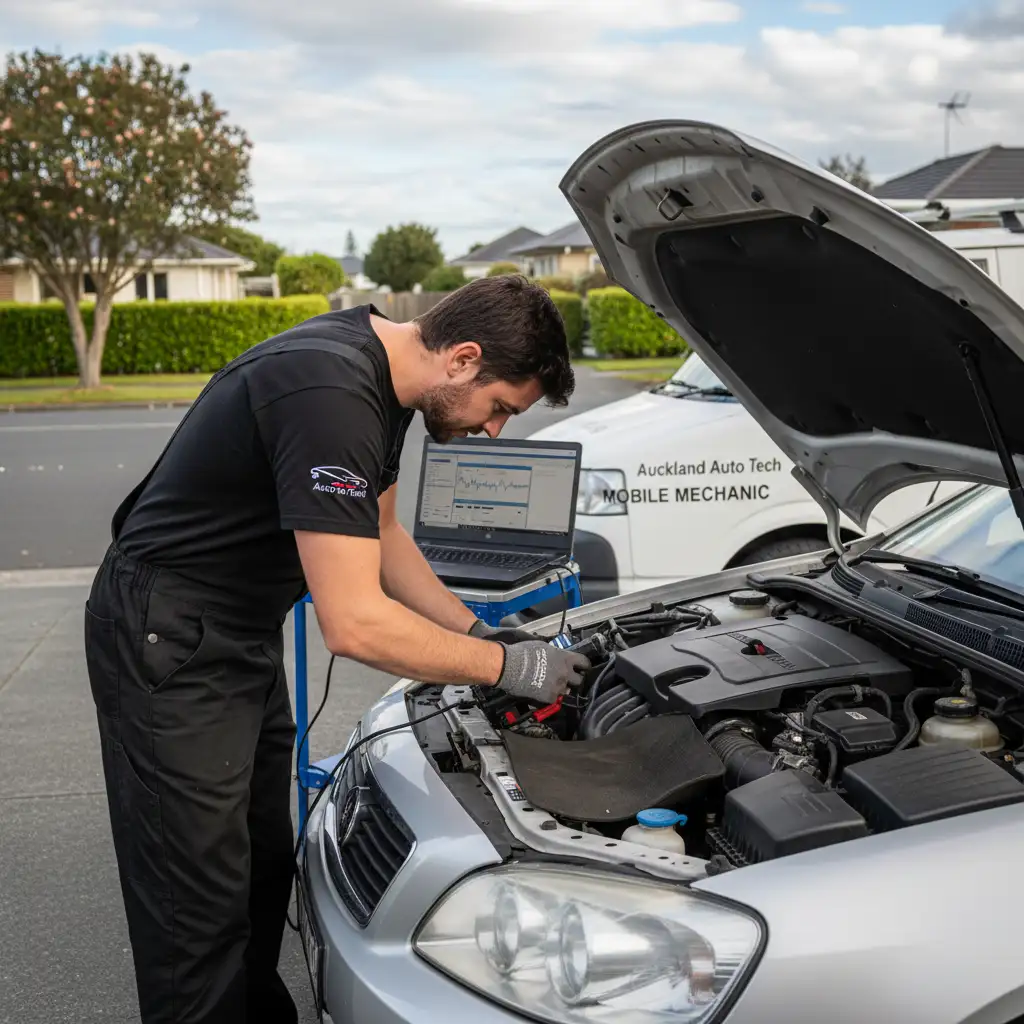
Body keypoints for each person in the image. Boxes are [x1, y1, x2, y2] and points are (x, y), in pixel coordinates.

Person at [82, 274, 591, 1024]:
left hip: (233, 632)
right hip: (169, 639)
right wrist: (515, 666)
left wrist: (476, 632)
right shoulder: (329, 393)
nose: (495, 433)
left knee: (258, 867)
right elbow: (355, 624)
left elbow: (382, 536)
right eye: (500, 410)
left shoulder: (387, 383)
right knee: (194, 905)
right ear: (463, 359)